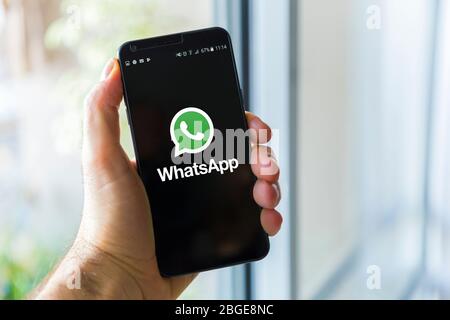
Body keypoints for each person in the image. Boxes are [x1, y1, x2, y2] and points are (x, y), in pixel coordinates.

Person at [31, 59, 283, 299]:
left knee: (238, 151)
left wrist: (108, 268)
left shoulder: (188, 174)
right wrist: (110, 261)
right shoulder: (152, 178)